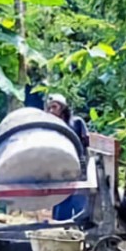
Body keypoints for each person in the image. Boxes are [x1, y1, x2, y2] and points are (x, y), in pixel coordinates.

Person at [47, 93, 90, 221]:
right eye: (49, 108)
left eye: (54, 107)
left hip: (78, 168)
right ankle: (59, 232)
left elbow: (86, 143)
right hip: (60, 170)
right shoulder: (50, 126)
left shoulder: (76, 122)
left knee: (79, 204)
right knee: (60, 204)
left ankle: (81, 231)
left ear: (63, 107)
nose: (51, 111)